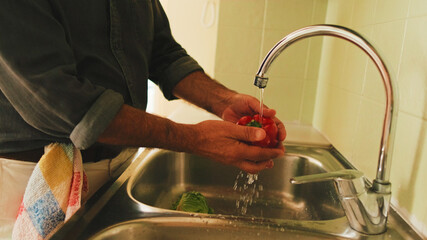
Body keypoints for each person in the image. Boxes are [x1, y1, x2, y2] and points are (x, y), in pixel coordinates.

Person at [0, 0, 286, 238]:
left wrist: (222, 99)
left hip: (119, 165)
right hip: (34, 176)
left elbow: (163, 54)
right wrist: (195, 138)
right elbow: (64, 101)